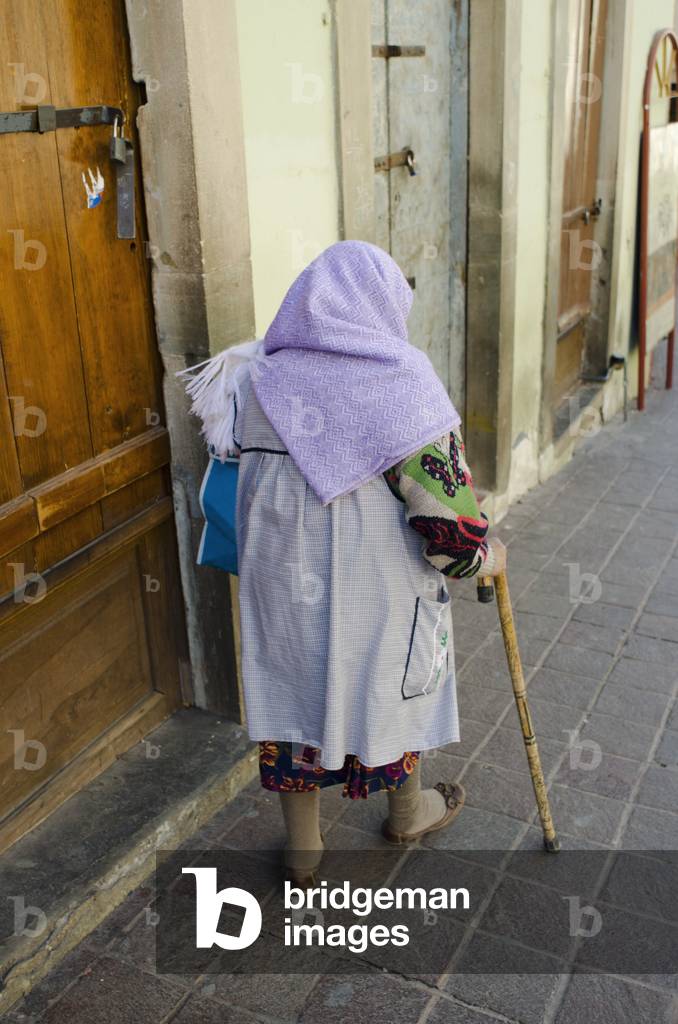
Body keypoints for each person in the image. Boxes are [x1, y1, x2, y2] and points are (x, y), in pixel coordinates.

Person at [186, 241, 506, 884]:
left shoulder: (259, 379)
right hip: (378, 596)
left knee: (294, 696)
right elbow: (450, 534)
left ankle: (303, 850)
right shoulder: (405, 385)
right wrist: (485, 559)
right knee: (392, 686)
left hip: (285, 589)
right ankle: (407, 812)